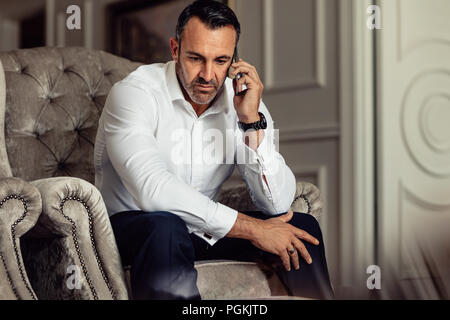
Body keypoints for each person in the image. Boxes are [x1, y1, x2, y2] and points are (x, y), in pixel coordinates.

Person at [94, 0, 334, 300]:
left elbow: (277, 204)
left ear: (234, 60)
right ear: (175, 49)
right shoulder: (134, 93)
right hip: (133, 229)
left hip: (200, 231)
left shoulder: (244, 101)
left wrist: (250, 121)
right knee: (166, 227)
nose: (208, 75)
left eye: (221, 61)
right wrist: (254, 229)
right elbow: (152, 189)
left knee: (301, 227)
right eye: (196, 58)